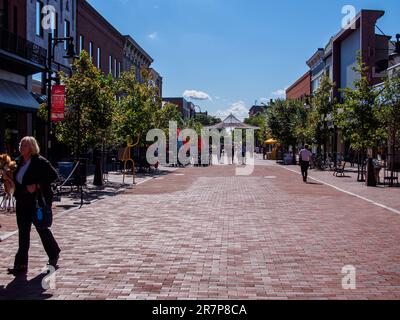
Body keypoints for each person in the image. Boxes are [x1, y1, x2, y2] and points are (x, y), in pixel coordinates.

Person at [7, 137, 61, 275]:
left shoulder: (39, 161)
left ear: (31, 147)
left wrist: (37, 185)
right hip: (22, 201)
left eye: (24, 145)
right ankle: (20, 264)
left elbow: (54, 176)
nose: (21, 147)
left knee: (41, 228)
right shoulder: (17, 162)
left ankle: (54, 253)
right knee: (23, 232)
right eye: (20, 144)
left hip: (36, 202)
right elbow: (14, 179)